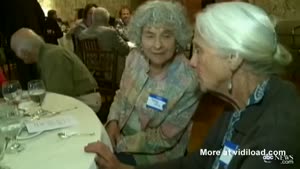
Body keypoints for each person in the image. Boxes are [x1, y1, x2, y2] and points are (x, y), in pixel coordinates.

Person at [84, 2, 300, 169]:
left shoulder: (275, 140)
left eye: (199, 50)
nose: (193, 62)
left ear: (233, 57)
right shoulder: (237, 106)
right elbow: (202, 161)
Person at [88, 0, 201, 166]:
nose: (157, 45)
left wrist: (119, 143)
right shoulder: (134, 57)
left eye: (166, 35)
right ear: (139, 36)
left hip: (156, 157)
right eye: (149, 35)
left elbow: (164, 139)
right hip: (118, 134)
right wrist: (112, 122)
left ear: (177, 38)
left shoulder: (189, 82)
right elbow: (121, 95)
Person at [10, 28, 102, 112]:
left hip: (85, 101)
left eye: (15, 52)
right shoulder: (46, 54)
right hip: (76, 98)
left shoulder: (51, 57)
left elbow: (58, 97)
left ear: (23, 52)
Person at [0, 0, 45, 88]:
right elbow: (41, 17)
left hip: (16, 38)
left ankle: (30, 90)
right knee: (41, 67)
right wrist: (39, 32)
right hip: (34, 36)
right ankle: (45, 91)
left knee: (24, 70)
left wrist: (6, 36)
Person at [78, 7, 130, 84]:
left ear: (93, 18)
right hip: (110, 72)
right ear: (107, 18)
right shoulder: (110, 32)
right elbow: (125, 50)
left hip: (91, 71)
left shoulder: (83, 34)